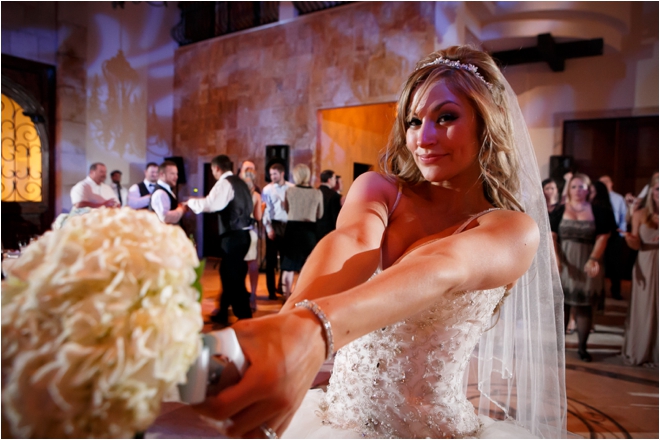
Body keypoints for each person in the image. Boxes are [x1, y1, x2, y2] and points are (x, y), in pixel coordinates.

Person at [195, 46, 566, 439]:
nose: (423, 138)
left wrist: (316, 333)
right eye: (413, 120)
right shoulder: (381, 189)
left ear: (487, 124)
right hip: (334, 421)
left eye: (446, 118)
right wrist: (285, 334)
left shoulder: (513, 230)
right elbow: (351, 242)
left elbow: (440, 266)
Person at [551, 173, 614, 362]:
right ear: (568, 189)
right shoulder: (559, 210)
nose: (578, 190)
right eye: (574, 186)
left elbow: (603, 237)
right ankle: (558, 347)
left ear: (589, 190)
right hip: (565, 261)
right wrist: (557, 259)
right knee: (563, 305)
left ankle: (582, 347)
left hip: (588, 261)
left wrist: (593, 259)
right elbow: (551, 236)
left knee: (585, 306)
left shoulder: (599, 211)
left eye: (582, 187)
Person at [186, 155, 253, 325]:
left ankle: (244, 315)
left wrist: (191, 202)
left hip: (233, 237)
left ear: (216, 168)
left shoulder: (225, 183)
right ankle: (222, 312)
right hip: (243, 235)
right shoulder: (241, 183)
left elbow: (211, 204)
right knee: (229, 273)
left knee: (233, 277)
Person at [622, 173, 658, 366]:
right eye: (658, 188)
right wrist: (630, 239)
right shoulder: (640, 214)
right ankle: (642, 350)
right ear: (652, 191)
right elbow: (635, 245)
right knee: (644, 308)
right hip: (646, 262)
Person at [280, 164, 323, 299]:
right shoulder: (317, 193)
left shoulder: (290, 191)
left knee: (288, 266)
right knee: (307, 266)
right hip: (309, 230)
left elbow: (286, 210)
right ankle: (303, 296)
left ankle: (287, 298)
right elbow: (320, 214)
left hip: (292, 229)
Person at [262, 163, 294, 300]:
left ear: (282, 173)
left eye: (275, 174)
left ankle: (282, 287)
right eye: (271, 174)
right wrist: (268, 228)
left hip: (287, 225)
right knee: (271, 260)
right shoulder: (267, 189)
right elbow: (265, 211)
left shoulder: (292, 188)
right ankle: (271, 292)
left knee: (286, 259)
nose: (272, 177)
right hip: (274, 224)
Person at [241, 167, 263, 312]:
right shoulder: (255, 195)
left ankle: (241, 294)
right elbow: (258, 217)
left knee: (238, 266)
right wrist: (262, 207)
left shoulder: (237, 193)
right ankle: (253, 296)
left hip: (238, 231)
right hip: (251, 231)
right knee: (252, 265)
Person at [149, 161, 187, 226]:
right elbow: (165, 217)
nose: (176, 177)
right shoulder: (160, 193)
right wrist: (181, 209)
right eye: (172, 174)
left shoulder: (166, 190)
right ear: (162, 174)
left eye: (176, 174)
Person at [316, 170, 342, 240]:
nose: (335, 181)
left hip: (315, 229)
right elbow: (335, 216)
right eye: (334, 178)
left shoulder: (315, 192)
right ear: (329, 180)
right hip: (328, 230)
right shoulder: (334, 195)